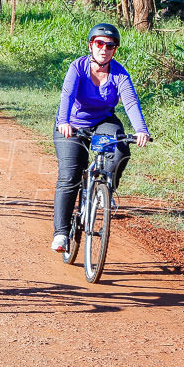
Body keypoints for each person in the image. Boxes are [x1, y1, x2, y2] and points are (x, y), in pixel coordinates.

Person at [51, 23, 150, 253]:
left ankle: (106, 189)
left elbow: (131, 102)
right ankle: (61, 234)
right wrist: (63, 122)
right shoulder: (78, 67)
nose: (104, 49)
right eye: (99, 43)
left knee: (122, 148)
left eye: (110, 45)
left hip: (103, 121)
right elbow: (66, 96)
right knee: (70, 177)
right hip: (72, 125)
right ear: (91, 45)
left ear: (115, 50)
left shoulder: (119, 73)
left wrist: (141, 130)